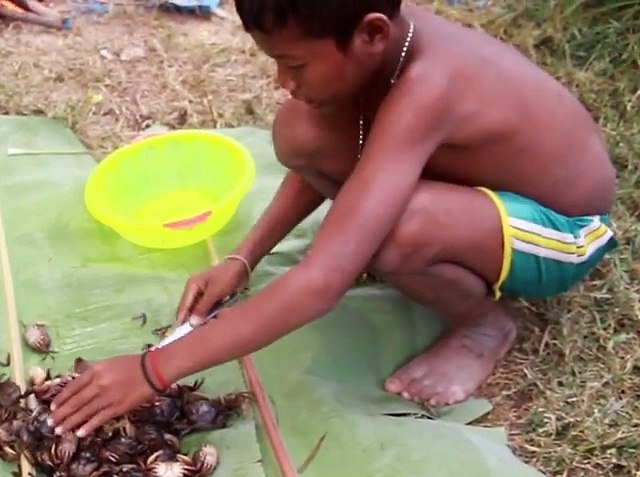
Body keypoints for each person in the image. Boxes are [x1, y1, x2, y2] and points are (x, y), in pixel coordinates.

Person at [49, 0, 618, 437]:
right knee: (300, 129)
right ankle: (432, 241)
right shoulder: (381, 43)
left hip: (563, 230)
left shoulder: (429, 84)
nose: (283, 81)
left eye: (293, 63)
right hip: (482, 194)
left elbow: (321, 284)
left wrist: (153, 370)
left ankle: (484, 326)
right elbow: (349, 143)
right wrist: (244, 258)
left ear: (371, 34)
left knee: (394, 234)